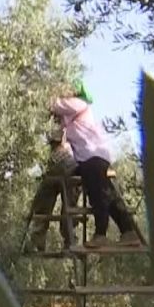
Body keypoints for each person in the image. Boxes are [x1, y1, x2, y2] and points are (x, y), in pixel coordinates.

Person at [49, 82, 143, 248]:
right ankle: (128, 232)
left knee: (98, 196)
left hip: (92, 157)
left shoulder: (78, 104)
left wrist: (46, 92)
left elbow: (54, 104)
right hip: (96, 157)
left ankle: (100, 234)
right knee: (109, 195)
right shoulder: (76, 113)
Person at [28, 129, 82, 250]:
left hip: (68, 163)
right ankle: (68, 240)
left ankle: (40, 238)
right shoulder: (66, 122)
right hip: (69, 164)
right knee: (65, 201)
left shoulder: (66, 120)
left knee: (51, 198)